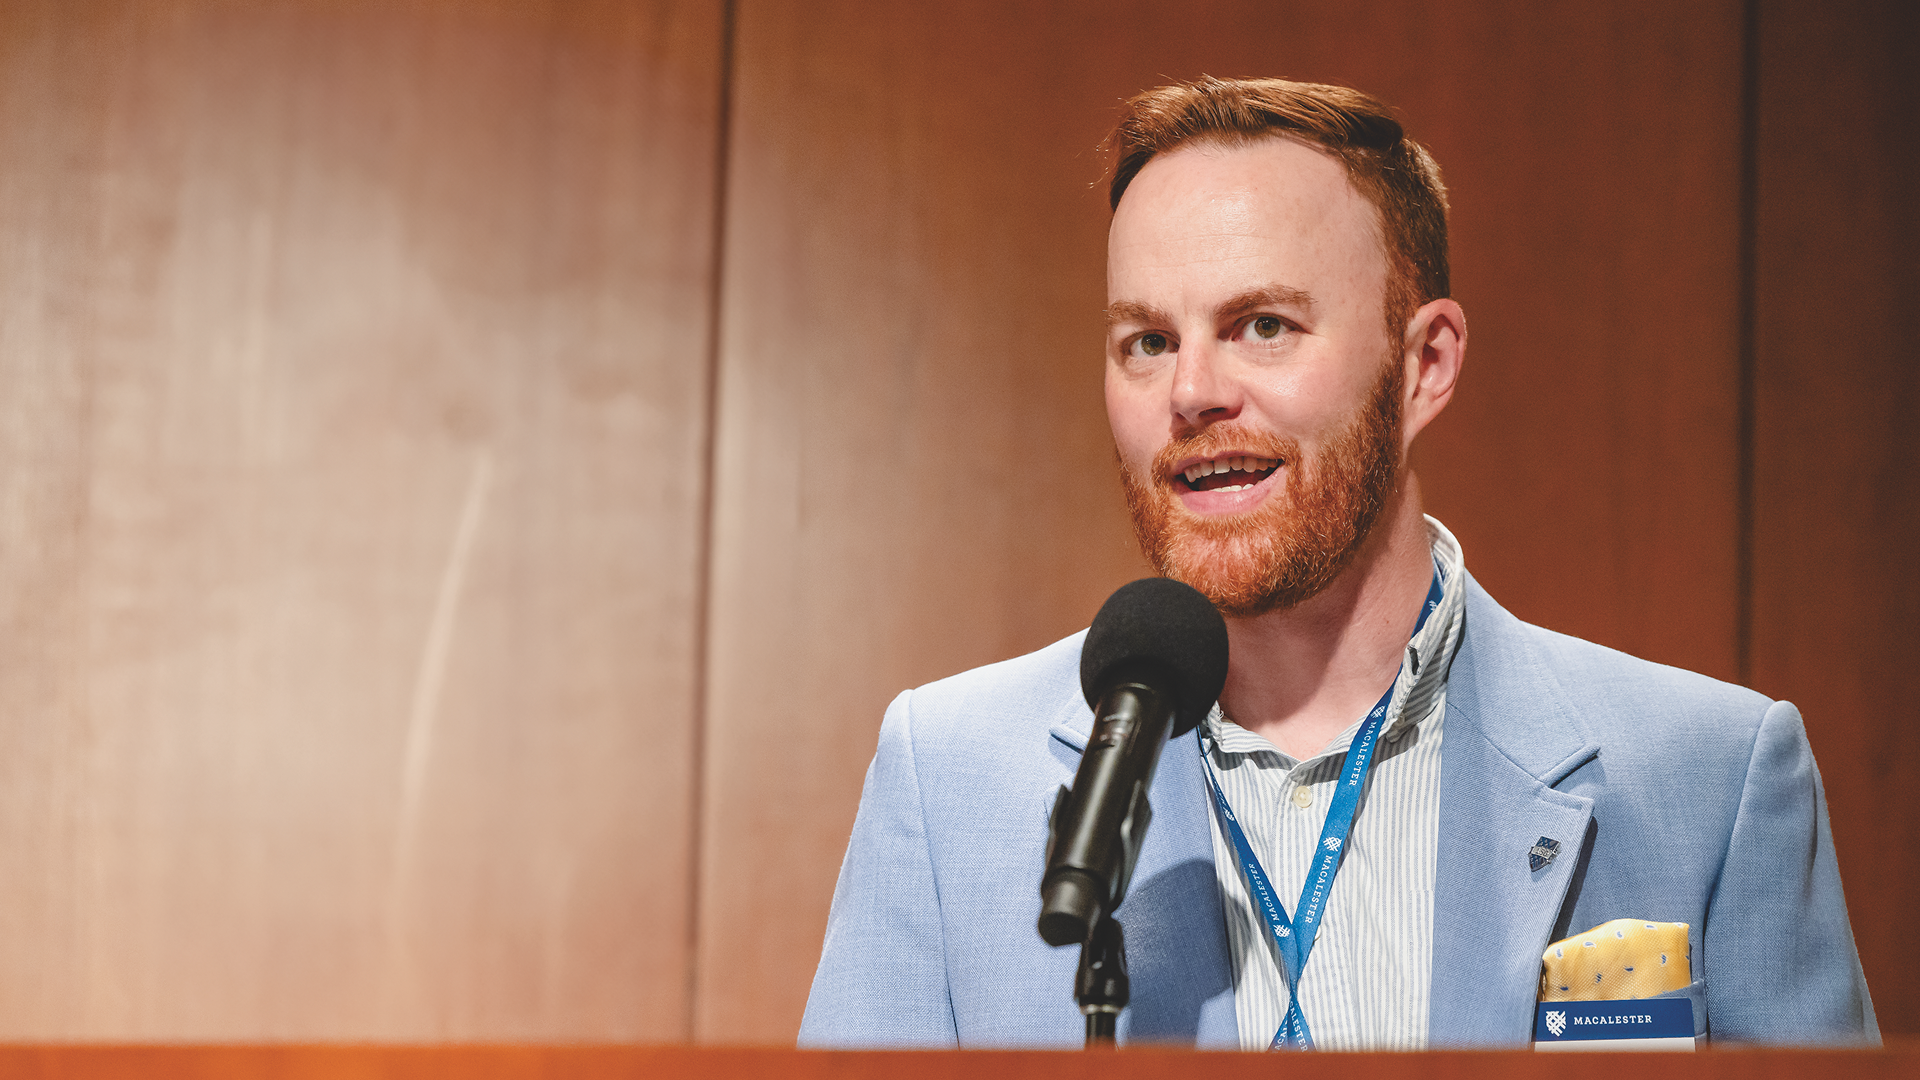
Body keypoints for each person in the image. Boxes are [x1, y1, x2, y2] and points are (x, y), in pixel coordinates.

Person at [797, 77, 1876, 1050]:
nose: (1191, 393)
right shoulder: (945, 782)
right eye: (1147, 341)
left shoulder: (1714, 778)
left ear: (1425, 365)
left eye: (1262, 325)